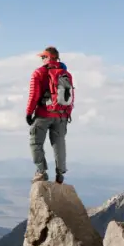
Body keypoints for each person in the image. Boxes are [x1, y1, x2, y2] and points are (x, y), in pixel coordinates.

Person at [25, 46, 74, 184]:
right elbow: (70, 96)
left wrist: (29, 113)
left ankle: (41, 172)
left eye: (43, 57)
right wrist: (67, 114)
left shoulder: (39, 73)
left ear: (48, 57)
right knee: (59, 143)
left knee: (35, 142)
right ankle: (60, 175)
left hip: (43, 114)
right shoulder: (66, 74)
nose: (41, 60)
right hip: (61, 115)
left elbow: (34, 95)